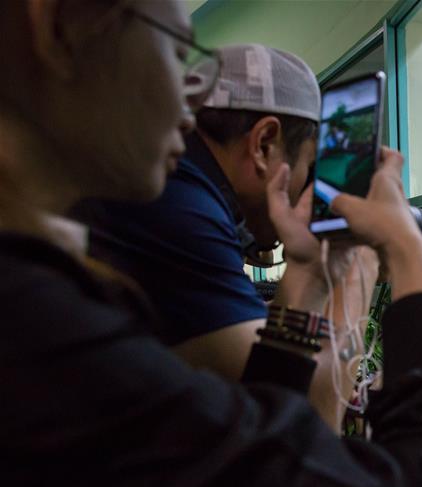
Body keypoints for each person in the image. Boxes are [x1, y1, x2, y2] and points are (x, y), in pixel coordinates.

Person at [0, 1, 422, 487]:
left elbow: (252, 438)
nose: (189, 110)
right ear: (56, 28)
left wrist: (306, 277)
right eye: (178, 53)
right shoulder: (40, 318)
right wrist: (403, 256)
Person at [74, 44, 369, 430]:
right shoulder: (176, 201)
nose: (309, 192)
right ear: (264, 144)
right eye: (310, 168)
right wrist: (360, 262)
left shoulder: (181, 186)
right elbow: (294, 424)